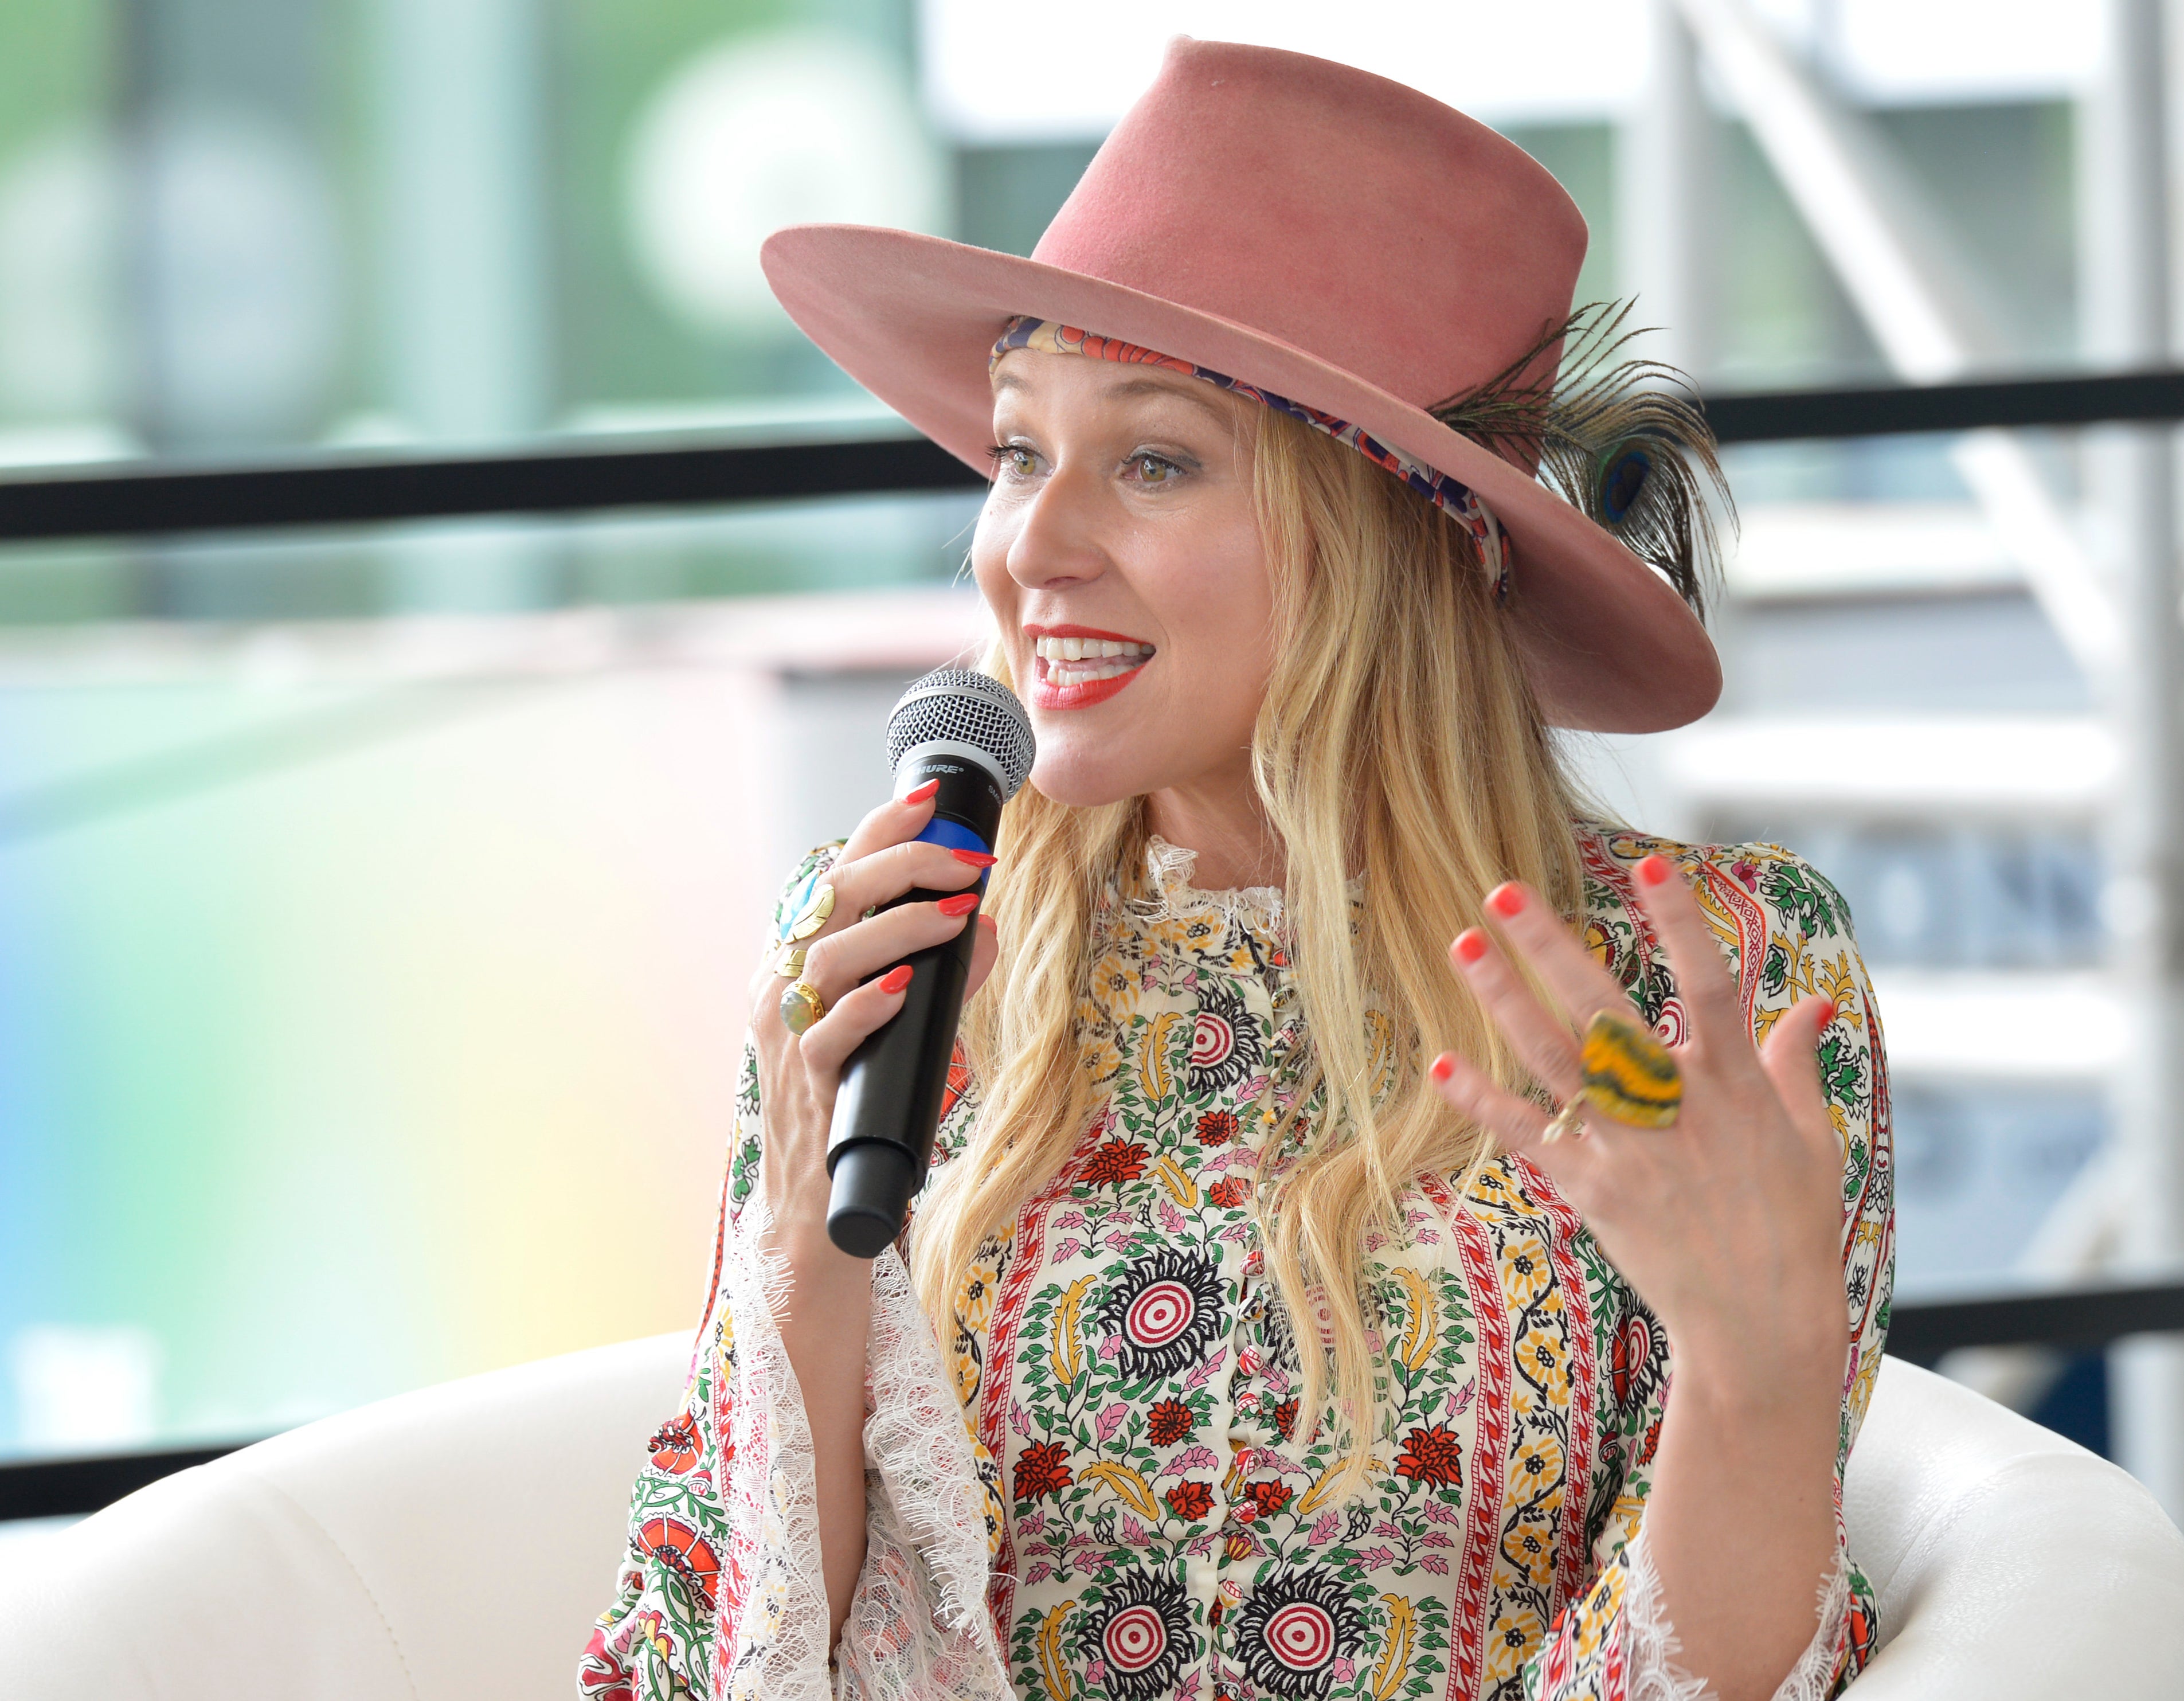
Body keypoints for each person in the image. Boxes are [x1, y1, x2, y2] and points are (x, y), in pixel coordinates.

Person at [581, 38, 1892, 1701]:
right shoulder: (892, 948)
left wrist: (1758, 1374)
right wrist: (803, 1261)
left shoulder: (1716, 976)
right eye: (1015, 451)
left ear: (1390, 543)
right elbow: (707, 1659)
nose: (1027, 548)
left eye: (1153, 461)